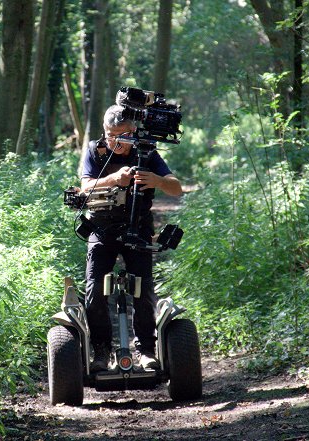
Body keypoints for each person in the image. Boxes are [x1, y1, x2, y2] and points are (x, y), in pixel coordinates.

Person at [80, 104, 183, 372]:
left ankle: (146, 351)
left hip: (137, 228)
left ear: (134, 132)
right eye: (110, 134)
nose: (115, 141)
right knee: (94, 291)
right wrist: (113, 179)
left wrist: (157, 181)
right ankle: (101, 352)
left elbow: (176, 188)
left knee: (144, 289)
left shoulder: (146, 153)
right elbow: (85, 187)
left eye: (122, 135)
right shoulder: (95, 151)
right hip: (101, 228)